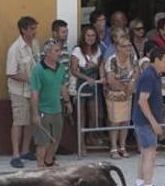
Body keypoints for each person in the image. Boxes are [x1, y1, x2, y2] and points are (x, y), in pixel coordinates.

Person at [133, 47, 165, 186]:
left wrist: (163, 107)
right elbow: (142, 102)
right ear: (156, 60)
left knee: (145, 153)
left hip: (144, 121)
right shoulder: (149, 75)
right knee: (150, 153)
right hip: (145, 122)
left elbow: (150, 98)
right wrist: (154, 123)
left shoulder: (155, 75)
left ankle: (139, 184)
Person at [30, 40, 73, 168]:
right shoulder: (38, 69)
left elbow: (62, 86)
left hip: (57, 109)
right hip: (43, 110)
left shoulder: (60, 67)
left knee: (56, 139)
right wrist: (35, 113)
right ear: (47, 52)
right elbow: (34, 92)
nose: (59, 54)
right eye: (56, 51)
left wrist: (67, 102)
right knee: (43, 141)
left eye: (59, 50)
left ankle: (49, 161)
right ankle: (40, 165)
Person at [6, 15, 41, 168]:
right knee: (19, 121)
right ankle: (15, 154)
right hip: (19, 91)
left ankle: (26, 150)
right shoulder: (15, 49)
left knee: (30, 122)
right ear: (23, 30)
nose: (35, 31)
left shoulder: (35, 44)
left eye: (35, 28)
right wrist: (29, 78)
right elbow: (11, 72)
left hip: (33, 91)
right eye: (32, 29)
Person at [103, 35, 138, 160]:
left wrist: (132, 82)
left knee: (125, 120)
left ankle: (122, 146)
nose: (128, 48)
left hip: (127, 94)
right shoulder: (112, 60)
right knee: (115, 121)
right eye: (125, 46)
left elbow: (136, 71)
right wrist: (125, 89)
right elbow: (111, 79)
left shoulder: (132, 57)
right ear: (118, 48)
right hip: (114, 94)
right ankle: (113, 147)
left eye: (129, 46)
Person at [71, 24, 103, 147]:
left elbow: (99, 66)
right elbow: (74, 70)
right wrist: (87, 77)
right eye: (88, 35)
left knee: (93, 115)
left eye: (93, 35)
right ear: (83, 36)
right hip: (81, 85)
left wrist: (94, 67)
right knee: (81, 116)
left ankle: (91, 137)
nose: (90, 38)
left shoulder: (98, 50)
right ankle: (81, 142)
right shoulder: (77, 50)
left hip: (93, 86)